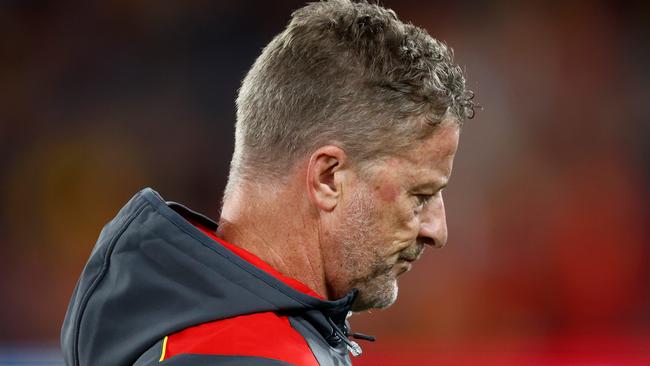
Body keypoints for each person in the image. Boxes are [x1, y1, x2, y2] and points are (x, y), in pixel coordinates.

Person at [61, 0, 474, 365]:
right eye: (420, 196)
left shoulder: (181, 328)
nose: (436, 230)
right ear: (329, 177)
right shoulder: (253, 355)